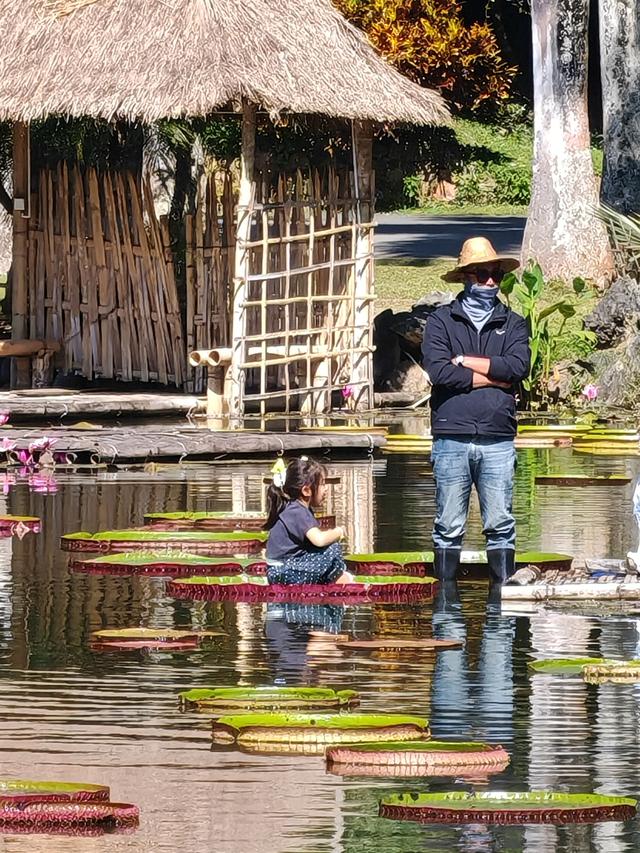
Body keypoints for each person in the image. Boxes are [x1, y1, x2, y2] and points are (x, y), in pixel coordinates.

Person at [422, 236, 530, 584]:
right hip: (451, 436)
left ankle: (502, 608)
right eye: (483, 275)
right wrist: (492, 378)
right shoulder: (440, 322)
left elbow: (517, 367)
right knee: (448, 526)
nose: (490, 282)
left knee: (501, 525)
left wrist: (467, 361)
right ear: (466, 276)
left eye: (496, 275)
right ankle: (446, 610)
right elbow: (439, 372)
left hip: (498, 438)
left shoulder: (513, 322)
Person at [264, 457, 352, 585]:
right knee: (333, 548)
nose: (326, 489)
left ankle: (338, 577)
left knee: (324, 552)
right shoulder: (297, 511)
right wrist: (339, 531)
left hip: (279, 570)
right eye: (322, 484)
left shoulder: (292, 508)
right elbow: (319, 540)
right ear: (306, 490)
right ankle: (341, 579)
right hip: (284, 571)